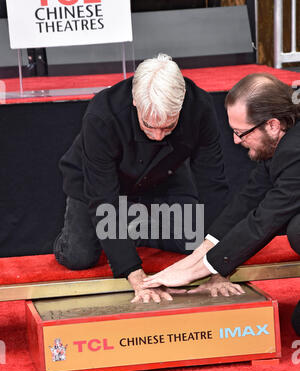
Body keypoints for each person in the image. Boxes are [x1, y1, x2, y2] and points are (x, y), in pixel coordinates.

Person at [54, 53, 229, 303]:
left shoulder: (199, 106)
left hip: (162, 176)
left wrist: (218, 264)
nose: (158, 136)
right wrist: (135, 275)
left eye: (168, 127)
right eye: (149, 126)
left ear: (181, 106)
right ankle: (110, 233)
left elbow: (213, 183)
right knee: (79, 256)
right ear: (135, 101)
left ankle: (131, 229)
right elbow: (104, 197)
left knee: (198, 240)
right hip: (95, 183)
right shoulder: (103, 114)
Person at [143, 73, 300, 299]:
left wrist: (196, 271)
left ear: (273, 125)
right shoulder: (283, 140)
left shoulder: (295, 152)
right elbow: (249, 200)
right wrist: (194, 258)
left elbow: (265, 220)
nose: (236, 141)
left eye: (240, 133)